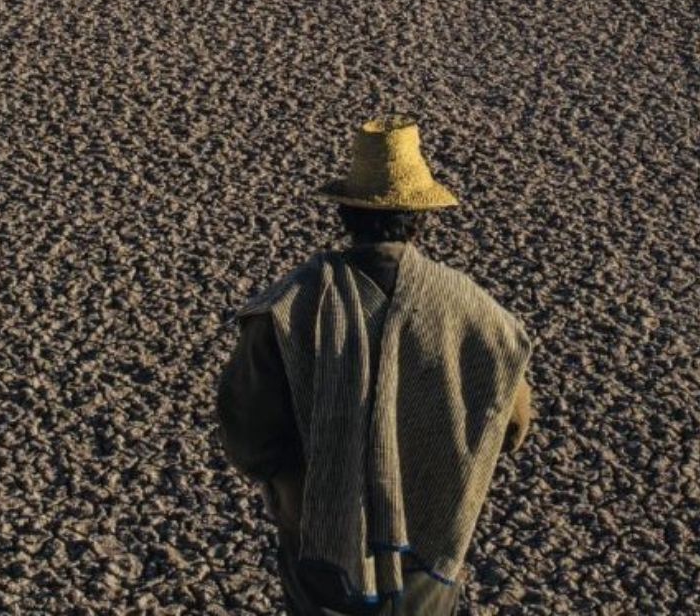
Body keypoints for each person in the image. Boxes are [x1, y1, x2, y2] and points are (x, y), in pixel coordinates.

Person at [217, 117, 534, 615]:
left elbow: (248, 435)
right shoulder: (476, 312)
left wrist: (291, 487)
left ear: (346, 212)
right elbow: (511, 424)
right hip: (432, 532)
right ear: (420, 217)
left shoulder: (290, 306)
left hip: (317, 535)